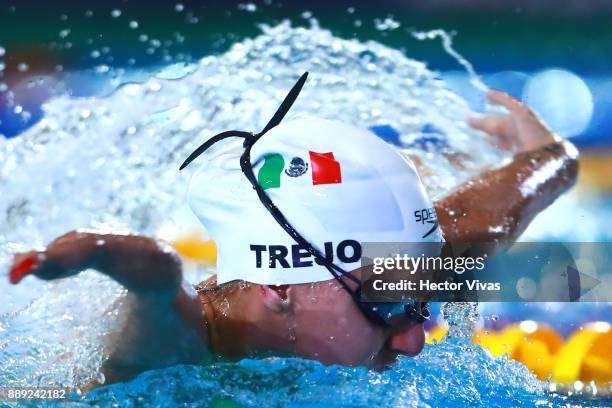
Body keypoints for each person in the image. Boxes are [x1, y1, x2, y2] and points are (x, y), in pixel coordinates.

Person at [7, 74, 578, 387]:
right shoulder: (183, 354)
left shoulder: (380, 269)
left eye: (422, 294)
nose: (414, 337)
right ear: (278, 288)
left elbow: (492, 215)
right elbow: (155, 287)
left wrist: (554, 155)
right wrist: (118, 261)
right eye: (392, 304)